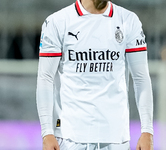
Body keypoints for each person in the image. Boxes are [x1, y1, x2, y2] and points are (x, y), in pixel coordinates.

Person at [36, 0, 154, 149]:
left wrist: (147, 130)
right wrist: (47, 132)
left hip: (116, 138)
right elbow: (45, 78)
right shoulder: (57, 22)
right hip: (70, 138)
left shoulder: (128, 20)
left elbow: (141, 77)